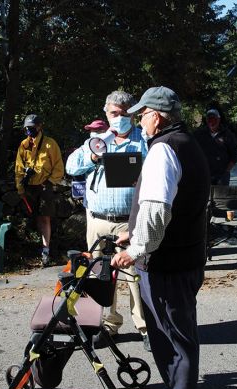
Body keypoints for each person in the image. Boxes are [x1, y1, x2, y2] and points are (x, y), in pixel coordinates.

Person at [111, 86, 210, 389]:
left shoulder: (163, 149)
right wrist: (133, 230)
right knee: (181, 332)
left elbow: (156, 210)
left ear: (156, 116)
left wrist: (136, 249)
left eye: (142, 114)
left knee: (173, 338)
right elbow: (177, 203)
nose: (140, 120)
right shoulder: (188, 143)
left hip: (167, 264)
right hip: (187, 257)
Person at [66, 90, 150, 351]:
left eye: (125, 114)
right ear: (106, 114)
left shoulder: (144, 140)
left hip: (130, 221)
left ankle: (145, 327)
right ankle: (109, 325)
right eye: (114, 113)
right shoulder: (97, 140)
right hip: (98, 220)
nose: (119, 118)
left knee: (136, 275)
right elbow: (71, 167)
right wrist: (93, 156)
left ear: (133, 115)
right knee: (101, 276)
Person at [15, 114, 64, 266]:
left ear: (39, 126)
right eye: (27, 128)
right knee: (34, 217)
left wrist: (49, 182)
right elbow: (19, 168)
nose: (30, 130)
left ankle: (46, 250)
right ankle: (35, 248)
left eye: (32, 127)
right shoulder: (23, 145)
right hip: (29, 187)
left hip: (44, 185)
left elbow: (58, 167)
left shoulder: (50, 144)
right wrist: (20, 186)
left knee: (45, 217)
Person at [194, 108, 237, 185]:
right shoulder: (199, 134)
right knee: (204, 196)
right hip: (204, 174)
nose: (212, 122)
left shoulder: (228, 134)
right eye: (209, 119)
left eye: (214, 119)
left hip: (222, 176)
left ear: (219, 119)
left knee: (222, 197)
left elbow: (235, 155)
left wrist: (226, 171)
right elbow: (193, 153)